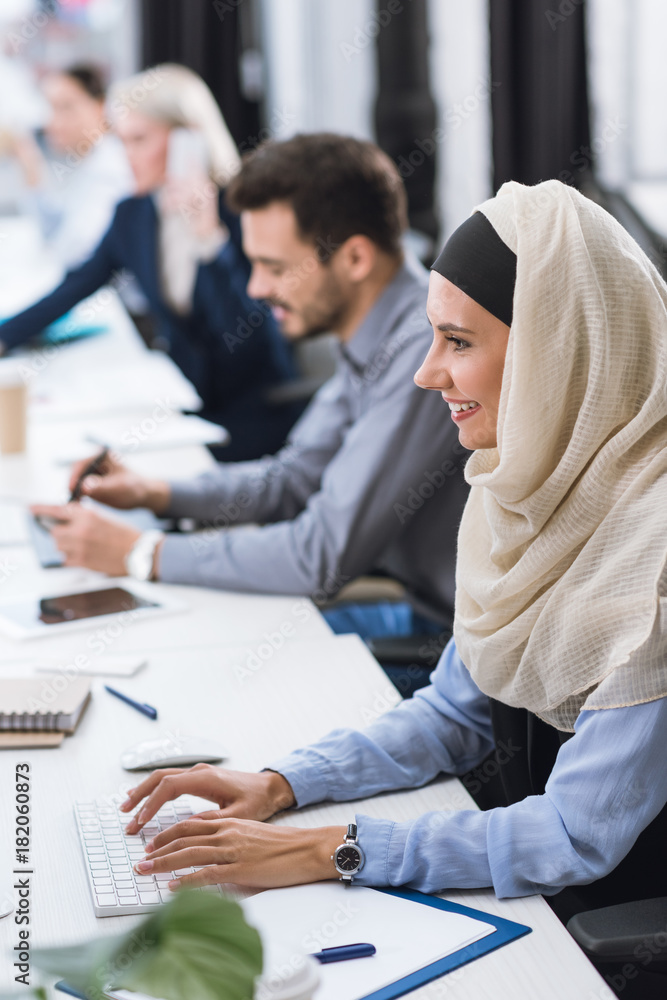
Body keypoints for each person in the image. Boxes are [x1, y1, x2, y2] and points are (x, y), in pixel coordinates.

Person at [115, 180, 665, 996]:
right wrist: (282, 783)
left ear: (557, 351)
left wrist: (325, 848)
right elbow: (452, 712)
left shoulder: (648, 555)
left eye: (455, 341)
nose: (425, 373)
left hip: (585, 935)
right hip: (510, 893)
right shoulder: (521, 491)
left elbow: (571, 837)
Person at [31, 133, 470, 666]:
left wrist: (140, 553)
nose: (257, 288)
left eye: (276, 267)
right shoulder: (375, 337)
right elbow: (290, 479)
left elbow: (319, 555)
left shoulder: (421, 352)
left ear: (355, 256)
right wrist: (155, 493)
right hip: (411, 616)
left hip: (448, 652)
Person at [0, 64, 298, 460]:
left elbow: (251, 335)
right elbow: (75, 286)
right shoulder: (133, 215)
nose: (126, 158)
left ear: (188, 142)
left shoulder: (246, 212)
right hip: (182, 404)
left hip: (254, 414)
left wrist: (209, 240)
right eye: (121, 141)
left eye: (139, 140)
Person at [8, 63, 133, 269]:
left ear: (100, 106)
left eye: (66, 107)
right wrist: (30, 166)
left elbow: (77, 255)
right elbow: (56, 229)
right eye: (49, 108)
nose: (53, 122)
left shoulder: (113, 173)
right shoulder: (85, 164)